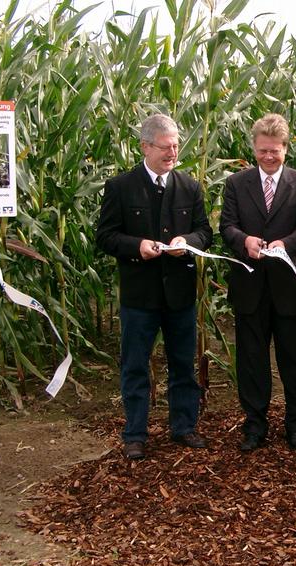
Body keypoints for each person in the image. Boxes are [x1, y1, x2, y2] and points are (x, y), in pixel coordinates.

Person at [96, 113, 213, 460]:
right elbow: (105, 236)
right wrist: (138, 247)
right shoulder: (121, 187)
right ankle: (135, 434)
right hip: (140, 295)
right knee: (134, 364)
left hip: (179, 294)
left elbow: (205, 232)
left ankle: (184, 427)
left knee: (182, 363)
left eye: (176, 145)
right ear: (145, 146)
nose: (172, 152)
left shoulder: (189, 187)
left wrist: (187, 240)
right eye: (165, 147)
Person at [219, 113, 296, 452]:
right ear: (254, 148)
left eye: (275, 151)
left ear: (286, 149)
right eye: (262, 151)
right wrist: (245, 240)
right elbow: (227, 226)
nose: (268, 157)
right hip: (250, 286)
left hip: (291, 285)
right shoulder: (236, 183)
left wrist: (285, 244)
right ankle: (255, 426)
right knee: (251, 360)